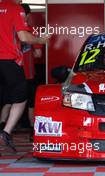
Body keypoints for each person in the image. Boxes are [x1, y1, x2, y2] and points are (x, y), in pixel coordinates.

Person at [0, 0, 49, 152]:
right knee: (21, 98)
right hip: (8, 60)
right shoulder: (14, 8)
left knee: (7, 100)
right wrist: (42, 40)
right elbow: (24, 37)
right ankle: (5, 133)